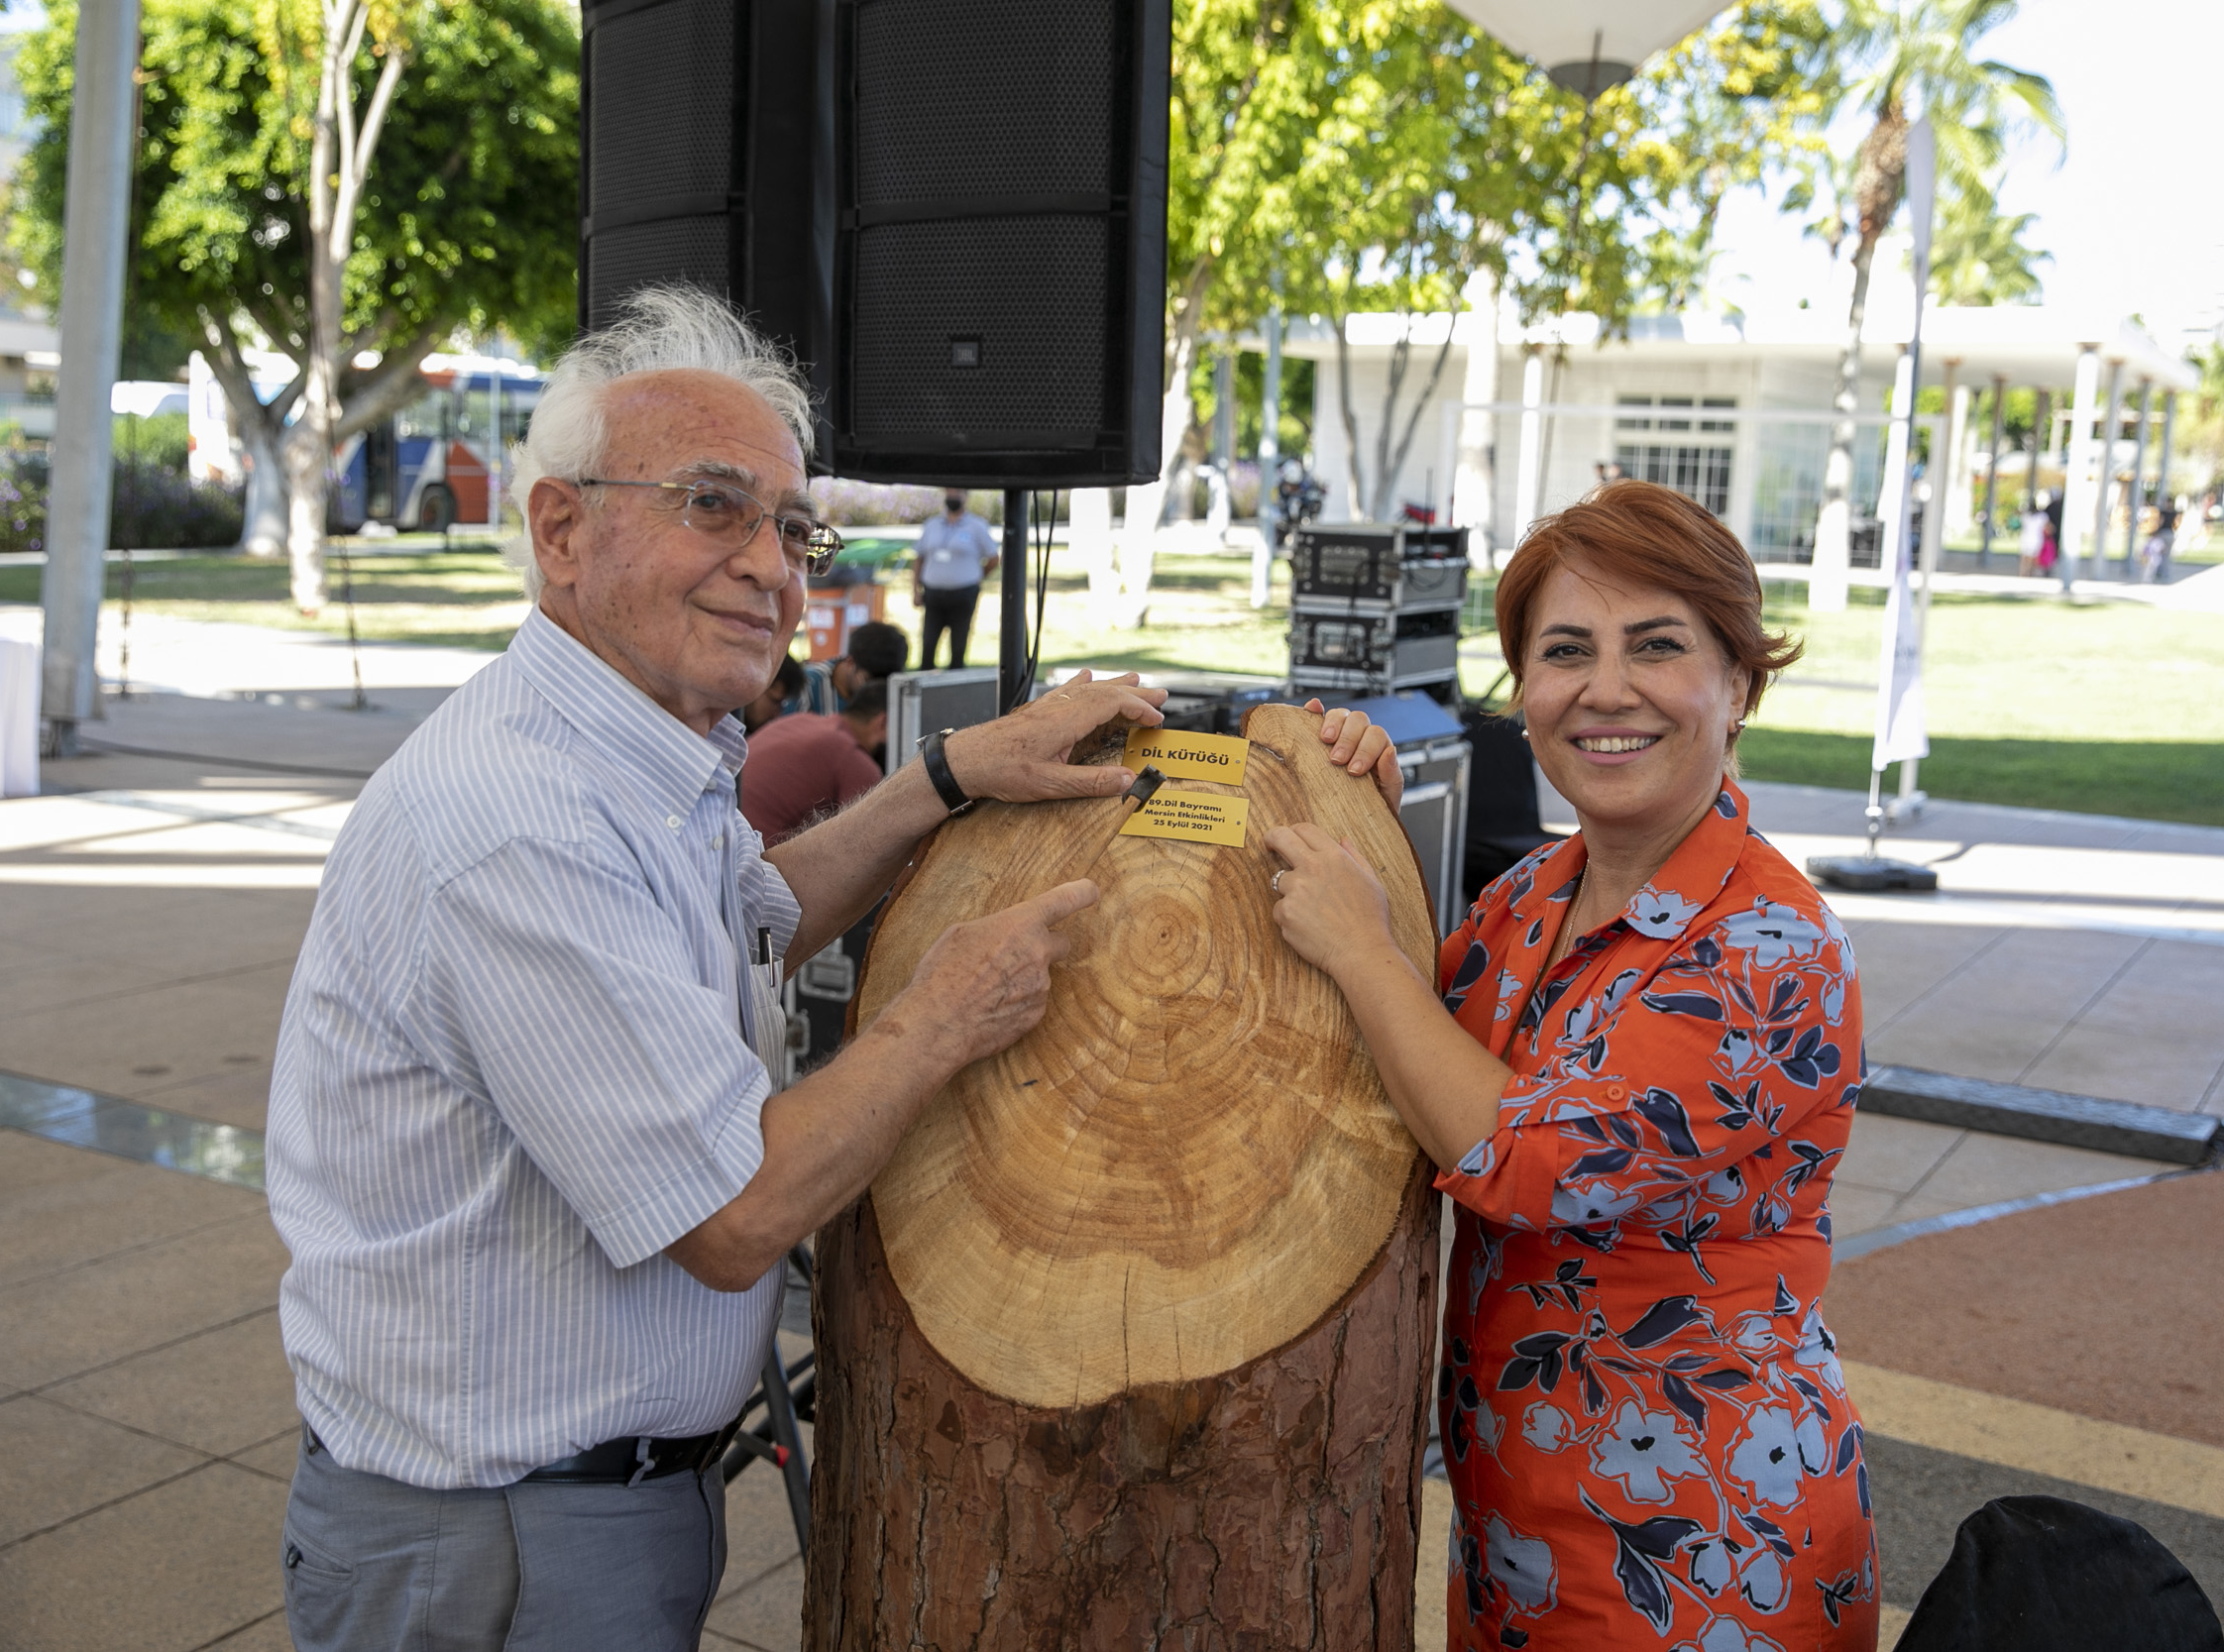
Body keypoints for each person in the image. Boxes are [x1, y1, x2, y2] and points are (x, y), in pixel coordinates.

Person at [263, 287, 1399, 1650]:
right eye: (713, 504)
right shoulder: (521, 820)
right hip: (502, 1541)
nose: (773, 565)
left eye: (795, 526)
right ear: (561, 529)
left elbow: (745, 920)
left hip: (575, 1511)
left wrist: (943, 777)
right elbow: (738, 1213)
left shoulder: (620, 751)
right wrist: (942, 1014)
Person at [1265, 479, 1875, 1652]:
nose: (1604, 689)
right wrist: (1363, 830)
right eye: (1563, 651)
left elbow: (1526, 1155)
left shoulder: (1769, 942)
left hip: (1699, 1536)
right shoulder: (1533, 892)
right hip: (1518, 1515)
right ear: (1524, 692)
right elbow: (1394, 1066)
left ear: (1738, 683)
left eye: (1656, 646)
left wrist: (1359, 938)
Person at [740, 677, 888, 844]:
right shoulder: (853, 758)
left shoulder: (802, 720)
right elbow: (867, 844)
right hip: (756, 855)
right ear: (883, 722)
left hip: (726, 837)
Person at [914, 490, 996, 669]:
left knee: (958, 645)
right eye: (949, 493)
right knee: (928, 643)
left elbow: (993, 558)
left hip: (963, 594)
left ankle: (955, 687)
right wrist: (915, 589)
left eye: (957, 493)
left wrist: (976, 575)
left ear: (966, 497)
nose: (952, 497)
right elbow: (919, 558)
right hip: (933, 594)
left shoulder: (977, 526)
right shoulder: (932, 525)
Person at [796, 618, 907, 716]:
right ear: (850, 662)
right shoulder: (807, 685)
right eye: (868, 681)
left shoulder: (892, 693)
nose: (875, 692)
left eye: (884, 684)